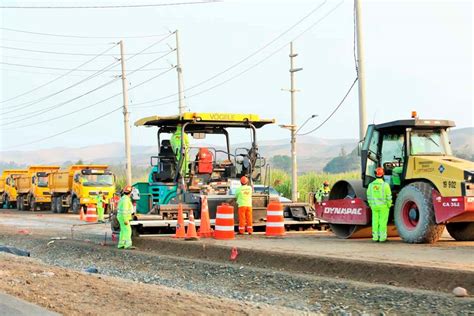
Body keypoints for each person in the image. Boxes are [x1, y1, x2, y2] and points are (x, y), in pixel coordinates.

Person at [367, 167, 392, 242]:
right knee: (382, 222)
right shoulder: (385, 185)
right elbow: (389, 197)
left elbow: (369, 196)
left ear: (375, 174)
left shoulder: (371, 185)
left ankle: (375, 237)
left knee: (375, 221)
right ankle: (382, 238)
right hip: (384, 207)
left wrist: (371, 205)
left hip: (374, 206)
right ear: (383, 174)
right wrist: (389, 205)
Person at [117, 185, 135, 249]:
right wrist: (125, 220)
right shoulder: (126, 200)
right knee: (128, 230)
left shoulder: (123, 198)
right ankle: (127, 245)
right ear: (130, 193)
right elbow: (124, 211)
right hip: (124, 218)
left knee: (123, 231)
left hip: (121, 217)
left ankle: (121, 244)